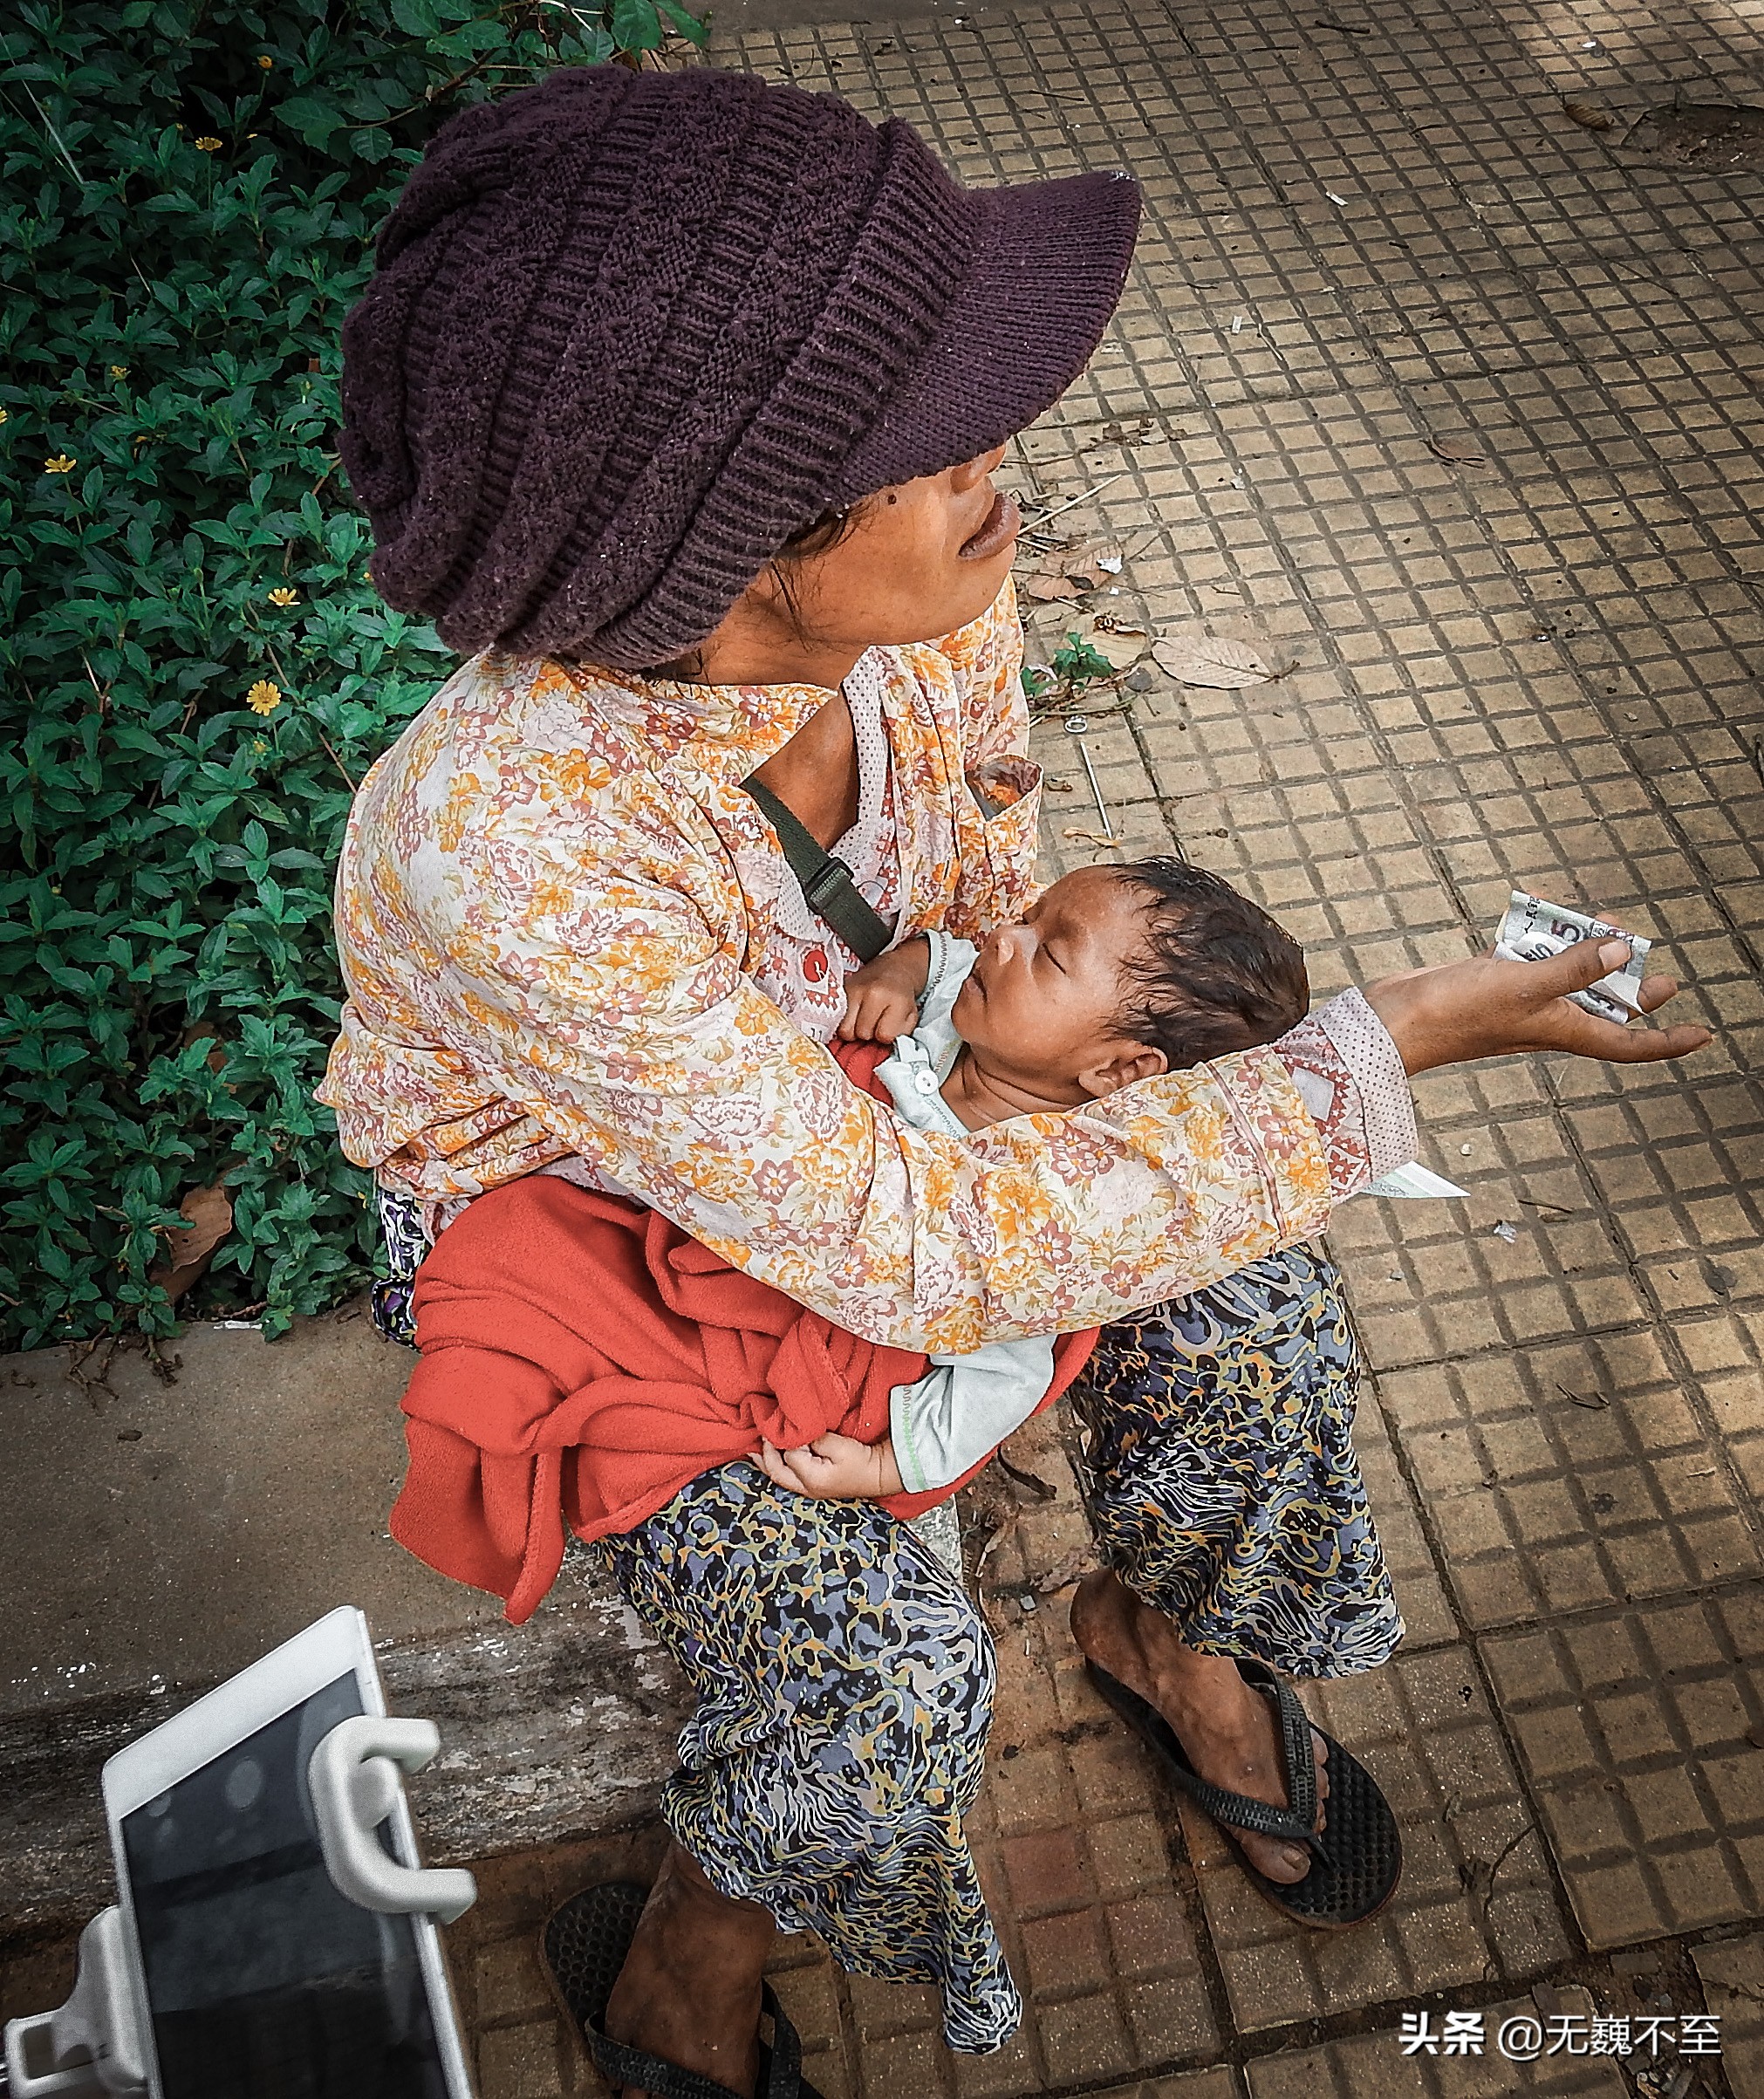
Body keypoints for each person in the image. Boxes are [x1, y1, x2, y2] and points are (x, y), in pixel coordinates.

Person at [324, 62, 1708, 2099]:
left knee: (1254, 1309)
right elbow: (904, 1252)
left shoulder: (919, 612)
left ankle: (1173, 1644)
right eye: (930, 435)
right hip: (596, 1243)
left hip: (899, 1128)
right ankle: (691, 1954)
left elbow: (976, 926)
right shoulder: (503, 842)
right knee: (890, 1663)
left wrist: (1037, 1046)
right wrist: (1373, 1042)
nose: (999, 450)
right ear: (740, 542)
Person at [760, 856, 1312, 1501]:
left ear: (1117, 1070)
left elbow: (1003, 1379)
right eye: (1028, 917)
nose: (1003, 937)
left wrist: (885, 1468)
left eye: (1047, 955)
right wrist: (895, 972)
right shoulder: (965, 1008)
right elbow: (941, 957)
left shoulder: (1039, 1215)